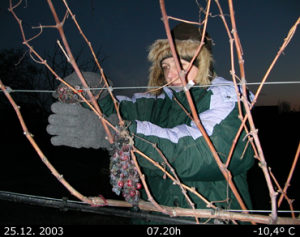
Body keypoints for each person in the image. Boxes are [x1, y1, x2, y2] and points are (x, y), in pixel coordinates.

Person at [47, 23, 255, 224]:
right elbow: (117, 111)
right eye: (166, 66)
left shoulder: (229, 97)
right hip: (154, 217)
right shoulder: (160, 102)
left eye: (181, 65)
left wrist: (118, 134)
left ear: (203, 64)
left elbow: (206, 153)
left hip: (208, 218)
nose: (171, 74)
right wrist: (97, 93)